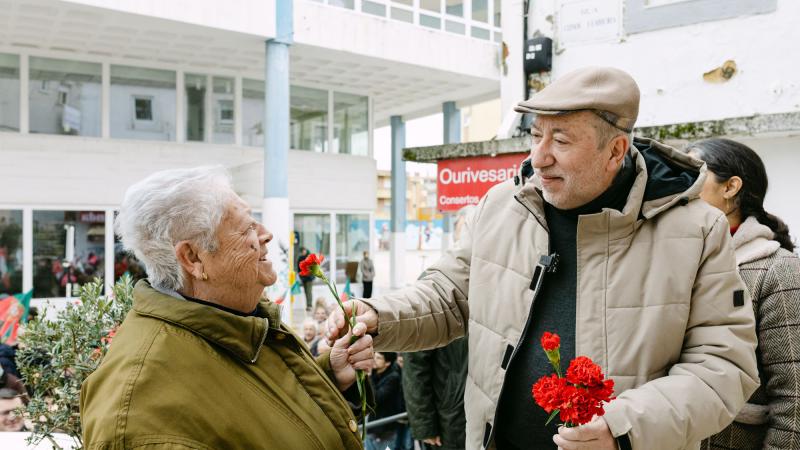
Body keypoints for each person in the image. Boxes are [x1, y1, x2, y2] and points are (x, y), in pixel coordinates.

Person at [327, 67, 759, 450]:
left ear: (615, 150)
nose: (539, 156)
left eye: (561, 140)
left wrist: (625, 429)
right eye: (535, 135)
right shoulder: (502, 205)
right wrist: (375, 315)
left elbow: (722, 366)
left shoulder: (696, 230)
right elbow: (447, 294)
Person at [81, 167, 375, 449]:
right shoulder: (139, 414)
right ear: (193, 257)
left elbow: (257, 414)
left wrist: (331, 377)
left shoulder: (236, 315)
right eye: (248, 226)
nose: (266, 233)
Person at [688, 138, 800, 449]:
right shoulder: (674, 263)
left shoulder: (778, 269)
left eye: (694, 173)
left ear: (730, 187)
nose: (682, 185)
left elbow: (795, 397)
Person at [367, 352, 404, 450]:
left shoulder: (393, 377)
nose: (374, 360)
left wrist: (369, 377)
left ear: (387, 363)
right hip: (371, 427)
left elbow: (376, 398)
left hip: (386, 430)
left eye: (378, 358)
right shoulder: (373, 374)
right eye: (374, 356)